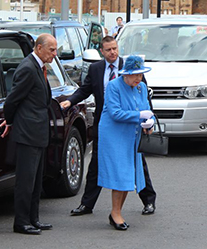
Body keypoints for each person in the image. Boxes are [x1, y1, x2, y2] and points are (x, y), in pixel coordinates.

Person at [60, 36, 156, 217]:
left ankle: (148, 200)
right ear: (102, 52)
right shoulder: (96, 69)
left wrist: (148, 117)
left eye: (115, 48)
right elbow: (84, 89)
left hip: (130, 127)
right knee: (96, 164)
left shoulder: (132, 67)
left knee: (137, 163)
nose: (113, 52)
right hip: (106, 125)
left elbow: (143, 98)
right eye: (108, 50)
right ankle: (87, 204)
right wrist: (70, 101)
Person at [0, 33, 57, 235]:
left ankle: (34, 218)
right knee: (25, 180)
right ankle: (21, 221)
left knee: (36, 179)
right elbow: (12, 100)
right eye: (51, 49)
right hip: (28, 133)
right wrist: (11, 120)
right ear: (39, 48)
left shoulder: (39, 68)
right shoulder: (27, 68)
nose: (54, 54)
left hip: (38, 132)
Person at [98, 55, 154, 230]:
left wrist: (149, 122)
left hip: (132, 134)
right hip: (114, 136)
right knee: (120, 175)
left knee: (129, 175)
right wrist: (139, 116)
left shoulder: (141, 87)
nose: (139, 78)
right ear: (126, 74)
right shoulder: (114, 86)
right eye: (135, 75)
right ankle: (115, 213)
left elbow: (146, 108)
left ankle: (117, 212)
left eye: (140, 74)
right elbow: (115, 113)